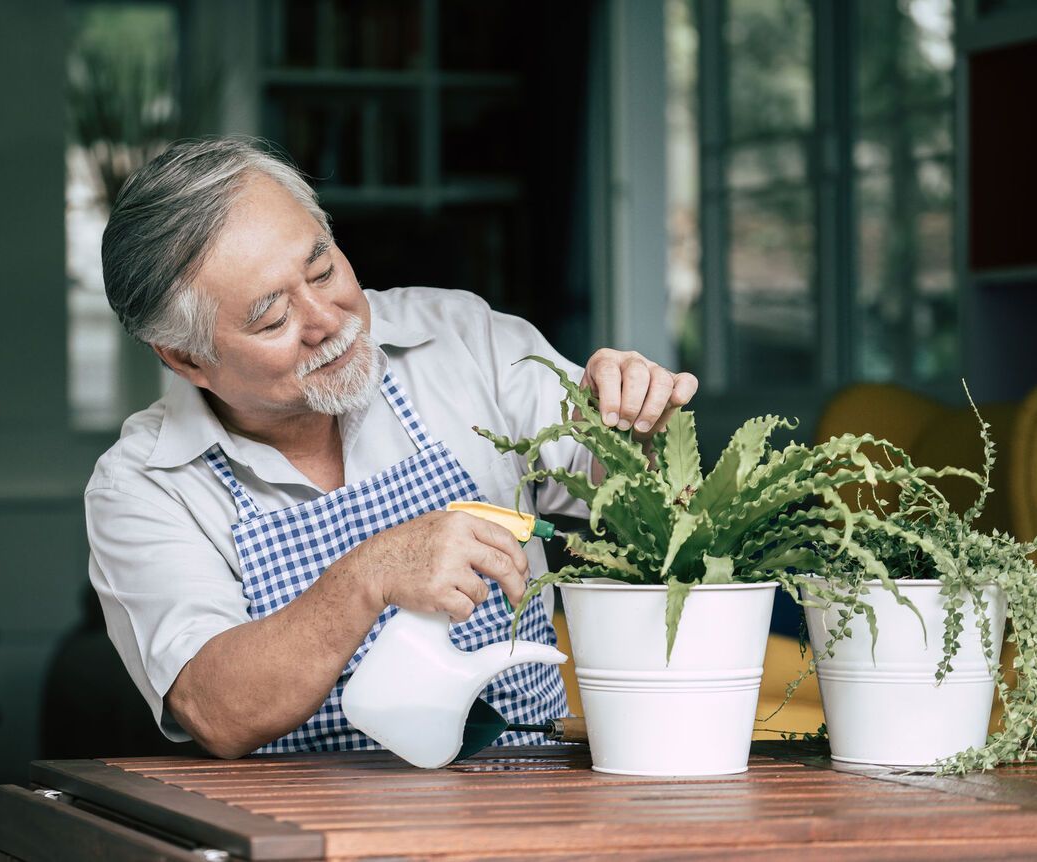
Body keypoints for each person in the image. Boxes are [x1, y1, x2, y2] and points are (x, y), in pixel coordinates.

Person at [86, 138, 698, 759]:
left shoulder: (465, 342)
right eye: (272, 319)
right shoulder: (145, 485)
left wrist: (639, 435)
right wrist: (368, 575)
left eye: (322, 269)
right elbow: (216, 709)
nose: (327, 318)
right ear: (187, 358)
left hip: (531, 797)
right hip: (313, 838)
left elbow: (639, 516)